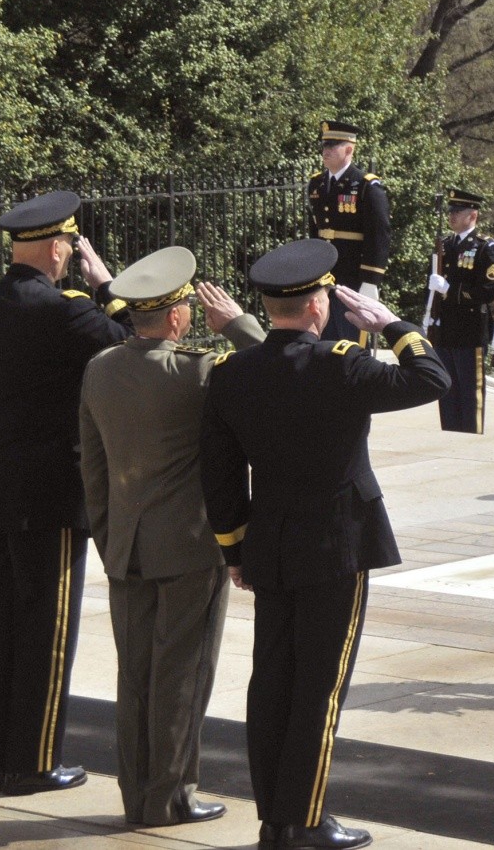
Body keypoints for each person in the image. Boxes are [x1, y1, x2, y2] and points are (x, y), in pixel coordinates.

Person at [201, 239, 450, 850]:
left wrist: (233, 548)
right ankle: (304, 822)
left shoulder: (233, 374)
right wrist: (391, 323)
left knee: (273, 683)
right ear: (318, 305)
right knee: (320, 685)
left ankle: (273, 818)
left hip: (271, 546)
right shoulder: (341, 364)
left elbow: (220, 473)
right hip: (338, 545)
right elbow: (432, 378)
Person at [0, 190, 129, 794]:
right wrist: (105, 284)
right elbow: (133, 344)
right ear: (58, 249)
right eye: (71, 247)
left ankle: (5, 758)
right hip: (48, 495)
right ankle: (34, 761)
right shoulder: (66, 310)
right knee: (46, 632)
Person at [79, 249, 264, 827]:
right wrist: (235, 323)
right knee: (182, 675)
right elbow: (276, 365)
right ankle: (171, 796)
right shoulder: (197, 372)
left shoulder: (100, 368)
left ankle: (137, 796)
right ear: (179, 318)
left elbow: (93, 468)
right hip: (187, 547)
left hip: (125, 546)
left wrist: (110, 537)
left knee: (134, 677)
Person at [306, 121, 390, 346]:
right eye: (324, 146)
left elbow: (378, 235)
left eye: (333, 146)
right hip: (324, 276)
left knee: (351, 342)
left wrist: (371, 280)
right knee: (325, 341)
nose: (326, 151)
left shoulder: (365, 186)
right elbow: (314, 231)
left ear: (349, 149)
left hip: (353, 277)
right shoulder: (316, 184)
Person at [426, 190, 494, 433]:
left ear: (473, 215)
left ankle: (471, 440)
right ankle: (450, 436)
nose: (452, 216)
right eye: (451, 212)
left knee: (471, 393)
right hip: (446, 329)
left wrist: (450, 289)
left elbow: (487, 290)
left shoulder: (484, 247)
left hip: (470, 330)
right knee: (447, 391)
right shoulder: (445, 245)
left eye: (458, 212)